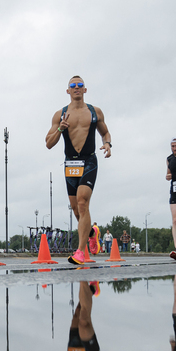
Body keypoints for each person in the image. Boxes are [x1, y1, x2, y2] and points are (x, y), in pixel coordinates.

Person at [46, 76, 112, 264]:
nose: (77, 87)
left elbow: (105, 132)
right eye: (73, 85)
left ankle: (80, 252)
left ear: (85, 89)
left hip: (89, 161)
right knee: (76, 210)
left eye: (80, 85)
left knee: (83, 203)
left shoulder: (94, 112)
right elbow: (48, 143)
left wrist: (107, 143)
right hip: (70, 164)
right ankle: (92, 233)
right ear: (68, 90)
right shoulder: (60, 115)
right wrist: (60, 129)